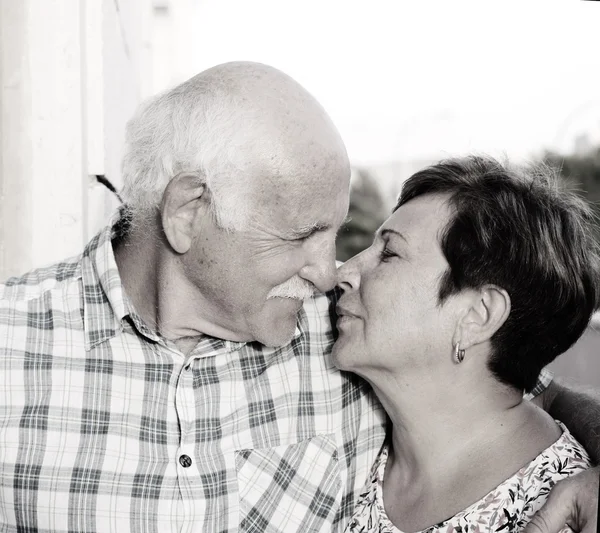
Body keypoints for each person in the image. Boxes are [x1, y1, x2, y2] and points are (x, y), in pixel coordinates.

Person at [0, 62, 597, 533]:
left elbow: (509, 381)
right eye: (302, 234)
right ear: (188, 212)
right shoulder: (14, 342)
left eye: (341, 235)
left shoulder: (336, 327)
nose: (329, 269)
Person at [332, 156, 599, 532]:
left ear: (478, 314)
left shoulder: (565, 514)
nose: (342, 273)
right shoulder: (357, 446)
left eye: (389, 253)